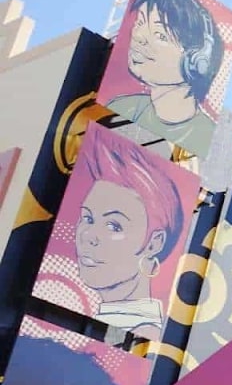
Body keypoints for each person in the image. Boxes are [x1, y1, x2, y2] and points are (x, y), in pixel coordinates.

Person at [73, 130, 185, 340]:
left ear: (154, 244)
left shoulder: (143, 333)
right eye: (88, 218)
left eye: (114, 226)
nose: (89, 235)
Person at [104, 0, 221, 152]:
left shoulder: (205, 138)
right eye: (139, 23)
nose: (138, 36)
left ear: (196, 61)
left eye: (160, 35)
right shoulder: (120, 108)